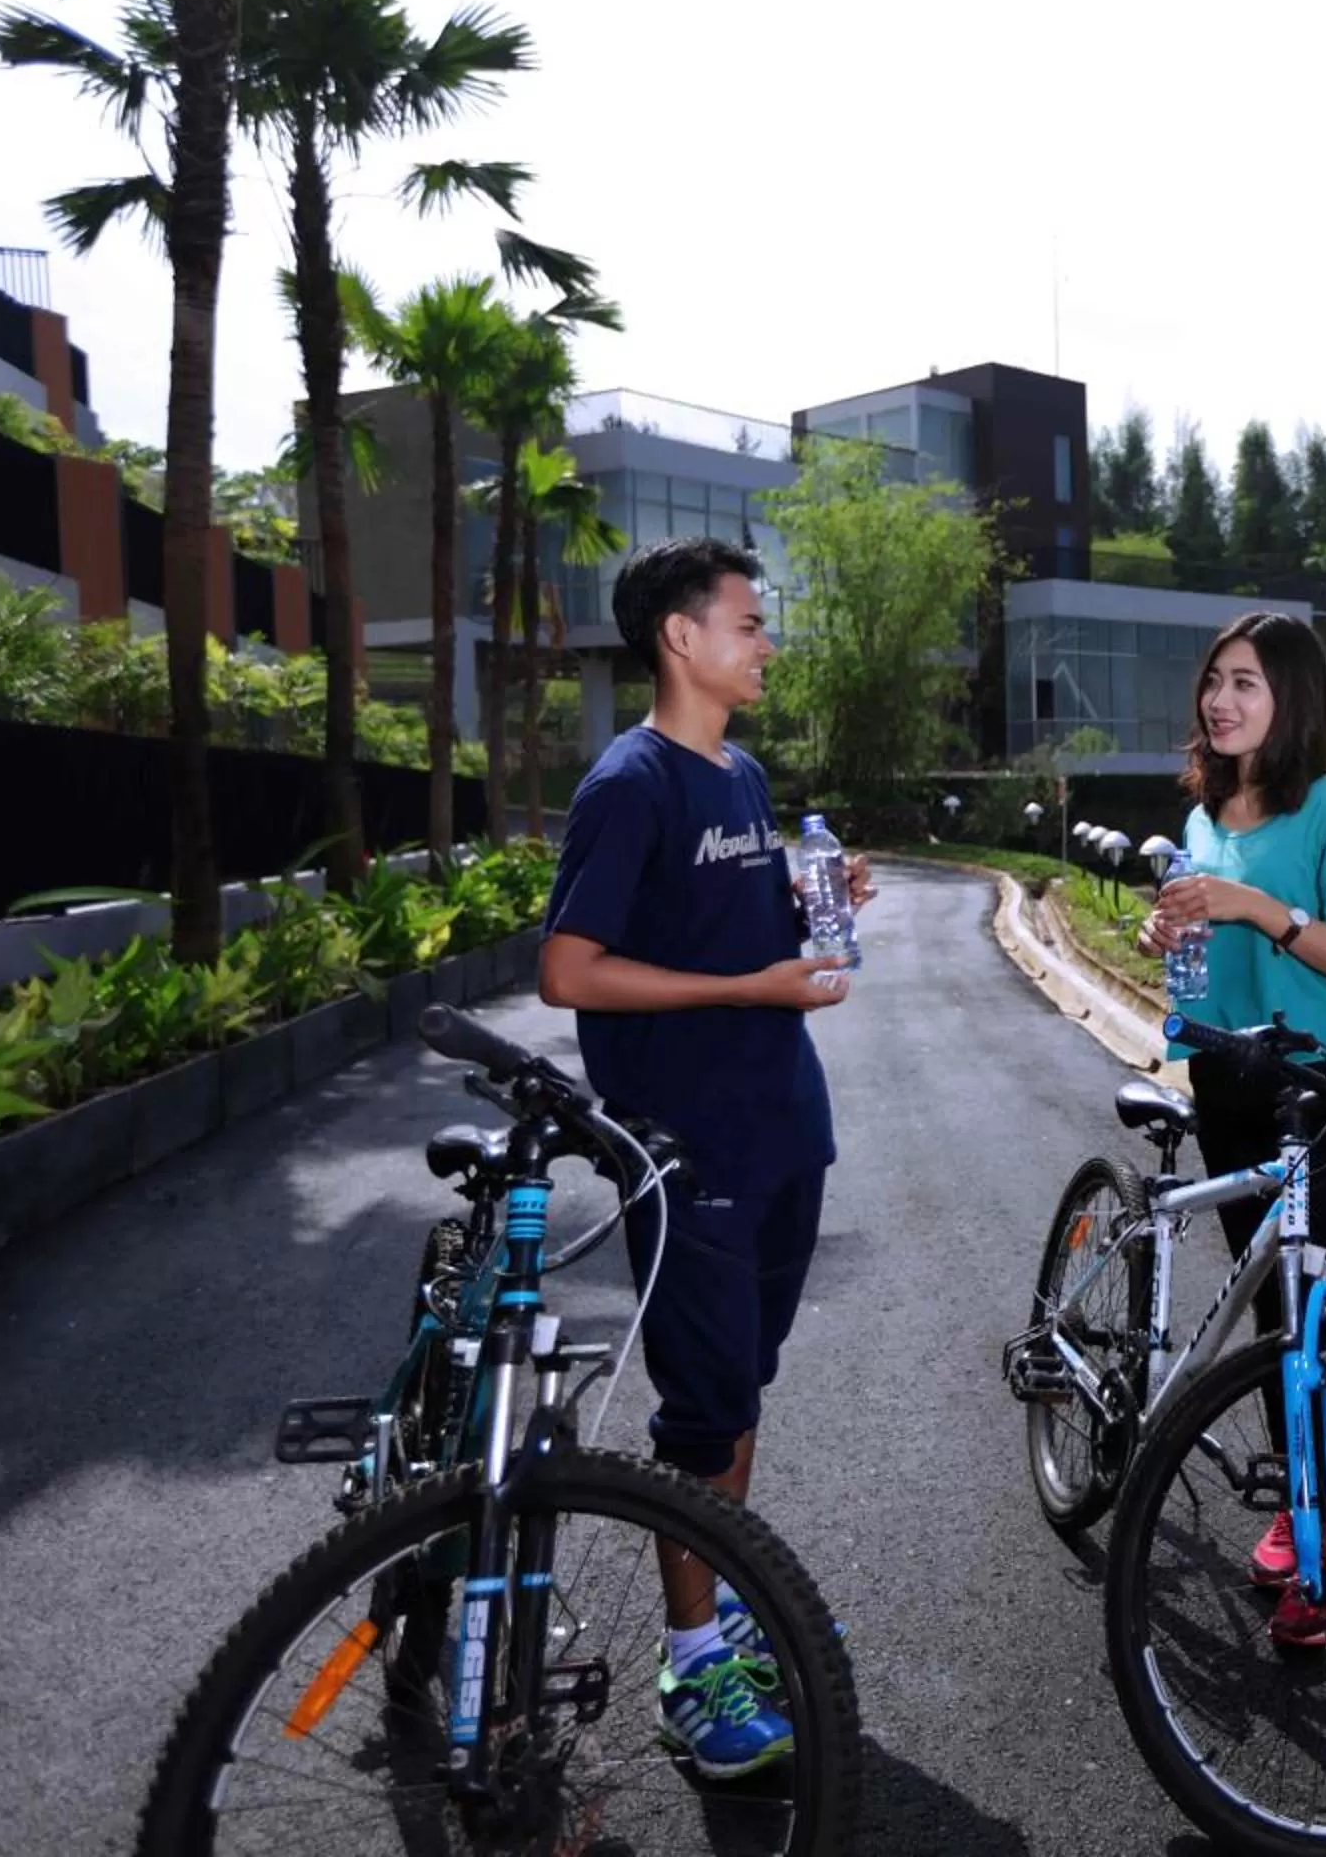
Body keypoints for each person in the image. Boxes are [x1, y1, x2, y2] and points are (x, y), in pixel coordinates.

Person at [539, 537, 866, 1778]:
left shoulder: (742, 773)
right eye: (747, 621)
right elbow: (569, 969)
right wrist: (751, 978)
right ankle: (692, 1662)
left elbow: (730, 917)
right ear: (682, 637)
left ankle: (726, 1600)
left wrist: (817, 904)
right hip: (689, 1148)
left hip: (786, 1125)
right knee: (700, 1410)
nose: (765, 640)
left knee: (738, 1392)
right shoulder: (630, 785)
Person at [1136, 609, 1326, 1647]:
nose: (1222, 699)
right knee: (1265, 1306)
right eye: (1215, 681)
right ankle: (1298, 1503)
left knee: (1307, 1310)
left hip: (1311, 1088)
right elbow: (1193, 953)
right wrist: (1169, 928)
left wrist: (1259, 906)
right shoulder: (1206, 812)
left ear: (1291, 696)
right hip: (1225, 1079)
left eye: (1245, 681)